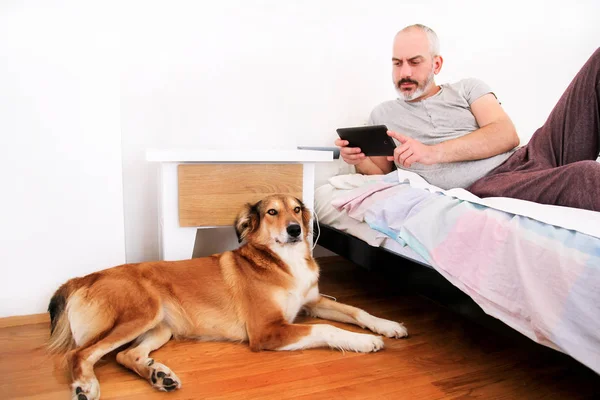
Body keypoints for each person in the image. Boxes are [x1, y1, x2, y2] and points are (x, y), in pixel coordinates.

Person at [335, 24, 600, 212]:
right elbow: (382, 170)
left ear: (436, 64)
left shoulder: (468, 87)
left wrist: (431, 153)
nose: (404, 72)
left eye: (414, 62)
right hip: (494, 182)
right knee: (585, 175)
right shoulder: (383, 114)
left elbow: (506, 135)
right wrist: (358, 161)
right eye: (397, 63)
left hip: (529, 154)